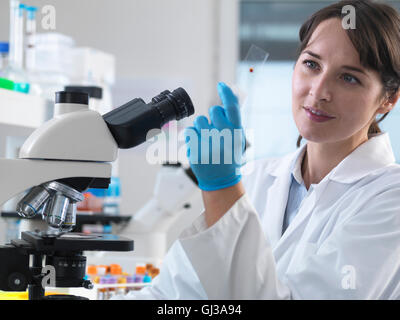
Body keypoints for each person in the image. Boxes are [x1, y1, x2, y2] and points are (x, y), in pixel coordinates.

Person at [116, 0, 400, 299]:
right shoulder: (256, 178)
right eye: (311, 64)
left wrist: (221, 188)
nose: (318, 91)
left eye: (349, 77)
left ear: (388, 98)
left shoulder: (389, 198)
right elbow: (174, 293)